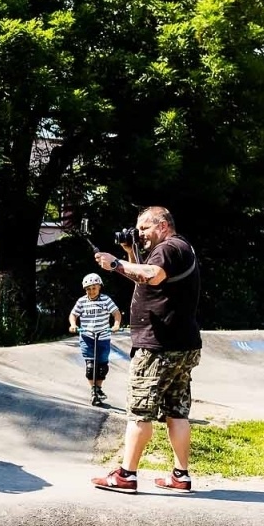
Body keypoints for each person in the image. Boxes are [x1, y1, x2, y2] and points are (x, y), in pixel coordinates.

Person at [91, 206, 202, 493]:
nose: (139, 234)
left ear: (163, 226)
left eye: (144, 228)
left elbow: (151, 275)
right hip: (182, 344)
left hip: (158, 346)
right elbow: (143, 278)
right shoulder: (180, 247)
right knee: (177, 411)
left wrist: (115, 263)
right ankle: (181, 475)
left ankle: (126, 475)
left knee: (140, 411)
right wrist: (129, 253)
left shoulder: (168, 248)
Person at [70, 273, 121, 407]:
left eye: (94, 288)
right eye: (88, 289)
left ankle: (98, 388)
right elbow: (73, 314)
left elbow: (116, 313)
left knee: (102, 367)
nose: (91, 291)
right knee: (90, 366)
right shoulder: (82, 301)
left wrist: (116, 325)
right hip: (87, 337)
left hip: (103, 337)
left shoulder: (106, 300)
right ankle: (93, 390)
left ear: (99, 287)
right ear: (85, 289)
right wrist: (73, 324)